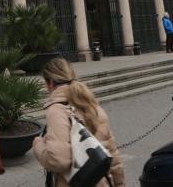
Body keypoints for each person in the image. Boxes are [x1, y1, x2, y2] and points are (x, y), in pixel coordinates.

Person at [33, 58, 125, 187]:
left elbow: (59, 161)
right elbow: (112, 155)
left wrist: (38, 146)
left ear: (51, 83)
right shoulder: (92, 105)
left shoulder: (57, 111)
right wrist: (120, 184)